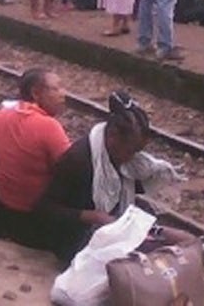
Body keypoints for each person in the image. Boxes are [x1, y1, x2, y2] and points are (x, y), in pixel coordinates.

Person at [37, 93, 175, 265]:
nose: (133, 157)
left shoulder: (123, 160)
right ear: (112, 137)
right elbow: (45, 209)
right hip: (74, 235)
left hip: (106, 223)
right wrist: (91, 217)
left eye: (137, 151)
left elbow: (123, 191)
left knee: (151, 222)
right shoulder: (78, 161)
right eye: (129, 150)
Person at [0, 69, 71, 249]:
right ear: (36, 93)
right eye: (56, 88)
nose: (64, 94)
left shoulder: (1, 115)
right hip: (34, 219)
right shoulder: (50, 127)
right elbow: (71, 171)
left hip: (2, 213)